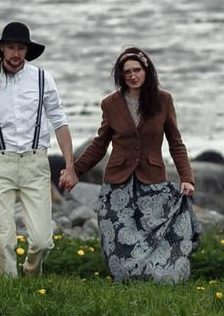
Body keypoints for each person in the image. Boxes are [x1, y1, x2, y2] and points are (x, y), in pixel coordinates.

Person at [71, 46, 199, 285]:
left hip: (152, 180)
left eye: (137, 70)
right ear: (121, 75)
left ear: (146, 71)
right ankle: (127, 280)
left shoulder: (163, 100)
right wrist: (75, 170)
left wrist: (187, 178)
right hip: (117, 183)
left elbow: (175, 142)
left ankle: (160, 276)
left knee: (154, 234)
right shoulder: (110, 104)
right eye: (126, 71)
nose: (132, 75)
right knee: (119, 239)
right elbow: (100, 144)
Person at [0, 19, 75, 278]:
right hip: (0, 164)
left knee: (41, 240)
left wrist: (70, 166)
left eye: (21, 49)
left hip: (35, 164)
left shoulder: (42, 79)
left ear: (27, 51)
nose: (16, 54)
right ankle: (7, 293)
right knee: (3, 240)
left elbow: (59, 121)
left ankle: (29, 274)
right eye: (11, 48)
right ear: (2, 48)